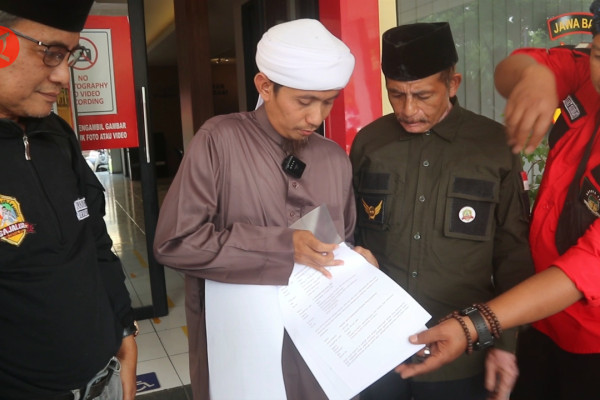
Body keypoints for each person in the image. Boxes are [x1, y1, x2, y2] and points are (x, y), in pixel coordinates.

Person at [154, 18, 376, 400]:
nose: (316, 117)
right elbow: (175, 242)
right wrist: (283, 246)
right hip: (241, 343)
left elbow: (343, 240)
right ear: (265, 86)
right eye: (304, 101)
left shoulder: (334, 158)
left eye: (328, 101)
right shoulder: (219, 140)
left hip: (320, 342)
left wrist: (358, 263)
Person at [396, 3, 600, 400]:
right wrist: (536, 76)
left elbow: (584, 268)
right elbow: (512, 68)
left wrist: (474, 325)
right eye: (598, 54)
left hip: (591, 341)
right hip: (539, 321)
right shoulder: (584, 77)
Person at [349, 22, 534, 400]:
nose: (408, 109)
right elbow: (351, 233)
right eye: (396, 94)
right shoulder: (370, 143)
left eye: (422, 95)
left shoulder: (493, 146)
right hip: (376, 351)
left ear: (453, 84)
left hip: (463, 358)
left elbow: (513, 252)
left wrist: (505, 343)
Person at [0, 1, 138, 399]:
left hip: (104, 379)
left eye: (69, 56)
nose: (63, 75)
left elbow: (94, 239)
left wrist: (124, 327)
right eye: (51, 53)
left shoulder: (56, 135)